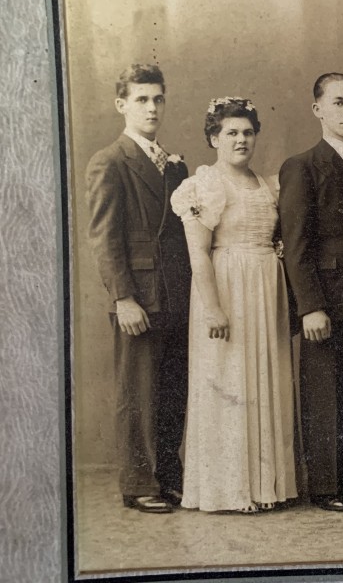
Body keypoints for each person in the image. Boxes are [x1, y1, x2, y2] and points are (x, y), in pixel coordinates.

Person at [171, 98, 297, 513]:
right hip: (227, 286)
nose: (241, 140)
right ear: (214, 138)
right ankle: (230, 488)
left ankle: (264, 485)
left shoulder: (266, 183)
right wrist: (213, 308)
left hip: (265, 287)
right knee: (229, 381)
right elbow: (198, 255)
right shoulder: (204, 185)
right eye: (231, 133)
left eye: (247, 132)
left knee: (263, 378)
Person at [85, 63, 190, 513]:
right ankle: (138, 482)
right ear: (121, 105)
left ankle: (168, 475)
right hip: (139, 297)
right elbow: (105, 238)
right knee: (139, 393)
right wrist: (123, 298)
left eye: (158, 98)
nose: (151, 107)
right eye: (142, 99)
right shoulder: (111, 161)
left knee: (171, 391)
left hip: (177, 294)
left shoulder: (172, 164)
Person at [279, 73, 343, 512]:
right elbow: (297, 244)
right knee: (324, 392)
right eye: (338, 103)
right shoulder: (302, 165)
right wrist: (311, 307)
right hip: (325, 296)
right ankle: (325, 485)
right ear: (317, 108)